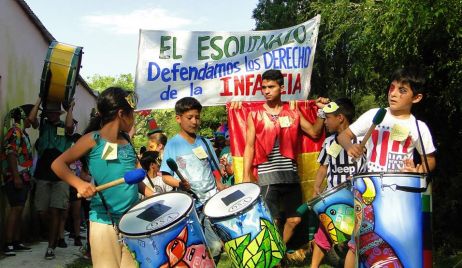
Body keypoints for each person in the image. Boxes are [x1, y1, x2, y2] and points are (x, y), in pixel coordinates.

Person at [337, 67, 436, 267]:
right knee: (357, 243)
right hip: (369, 189)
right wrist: (350, 146)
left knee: (398, 240)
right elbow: (343, 135)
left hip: (402, 194)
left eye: (402, 90)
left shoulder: (419, 127)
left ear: (416, 98)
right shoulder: (375, 115)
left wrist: (420, 170)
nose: (393, 93)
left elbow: (430, 159)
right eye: (392, 87)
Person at [51, 87, 154, 267]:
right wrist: (79, 184)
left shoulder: (128, 142)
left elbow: (134, 179)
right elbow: (58, 164)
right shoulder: (93, 139)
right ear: (122, 113)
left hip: (132, 220)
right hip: (104, 222)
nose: (134, 118)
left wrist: (152, 194)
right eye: (132, 114)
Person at [242, 69, 329, 249]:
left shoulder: (293, 113)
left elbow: (314, 132)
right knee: (271, 220)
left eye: (271, 87)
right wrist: (245, 175)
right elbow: (249, 146)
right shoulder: (254, 114)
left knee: (295, 219)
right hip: (267, 177)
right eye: (264, 87)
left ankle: (278, 250)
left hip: (290, 176)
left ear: (281, 88)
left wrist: (321, 112)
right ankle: (274, 257)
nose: (266, 91)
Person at [160, 97, 226, 261]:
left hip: (210, 203)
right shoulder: (172, 145)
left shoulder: (205, 142)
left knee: (216, 246)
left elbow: (214, 170)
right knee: (194, 249)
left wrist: (220, 184)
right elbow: (166, 176)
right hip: (189, 207)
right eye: (189, 117)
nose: (194, 121)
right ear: (178, 118)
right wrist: (180, 184)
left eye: (197, 117)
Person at [310, 98, 362, 267]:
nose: (325, 122)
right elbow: (323, 168)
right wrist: (316, 186)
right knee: (323, 234)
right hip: (333, 198)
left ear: (340, 118)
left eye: (328, 118)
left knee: (355, 236)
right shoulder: (328, 142)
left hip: (357, 198)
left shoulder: (361, 139)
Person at [30, 98, 75, 259]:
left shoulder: (66, 127)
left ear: (59, 114)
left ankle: (51, 247)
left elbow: (70, 127)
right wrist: (39, 101)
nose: (52, 115)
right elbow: (31, 120)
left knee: (56, 210)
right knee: (41, 211)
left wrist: (70, 108)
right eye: (49, 112)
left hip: (61, 174)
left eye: (55, 112)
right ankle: (54, 233)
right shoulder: (43, 125)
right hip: (43, 172)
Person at [1, 103, 38, 256]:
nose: (32, 121)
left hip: (24, 177)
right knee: (15, 209)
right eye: (31, 117)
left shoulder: (22, 133)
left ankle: (16, 241)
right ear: (24, 117)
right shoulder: (15, 131)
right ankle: (8, 243)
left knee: (20, 209)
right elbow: (11, 154)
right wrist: (16, 177)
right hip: (15, 177)